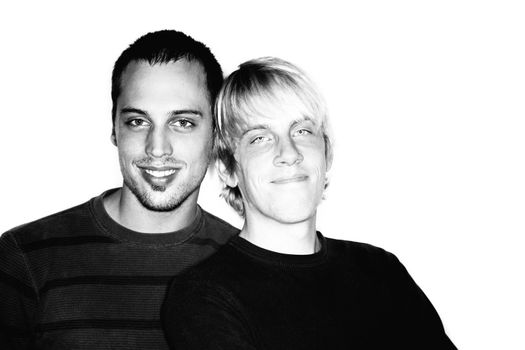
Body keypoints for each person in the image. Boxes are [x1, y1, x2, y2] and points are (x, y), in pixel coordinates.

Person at [162, 57, 457, 349]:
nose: (289, 153)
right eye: (260, 138)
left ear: (326, 152)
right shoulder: (205, 296)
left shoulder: (381, 271)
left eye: (302, 131)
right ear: (227, 169)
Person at [0, 30, 238, 349]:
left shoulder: (246, 265)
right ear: (114, 128)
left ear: (216, 135)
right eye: (137, 122)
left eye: (182, 122)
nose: (157, 148)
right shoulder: (25, 259)